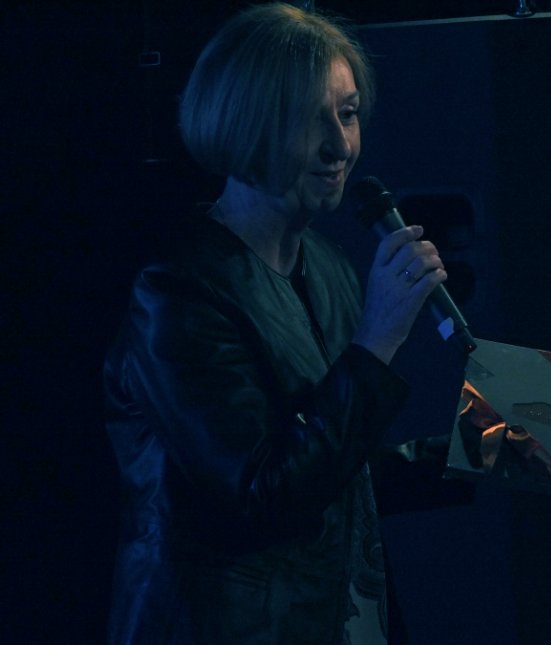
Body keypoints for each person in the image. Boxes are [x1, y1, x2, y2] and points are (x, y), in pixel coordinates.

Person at [103, 4, 461, 643]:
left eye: (347, 114)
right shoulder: (178, 292)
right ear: (242, 123)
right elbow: (262, 495)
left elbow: (337, 473)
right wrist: (378, 340)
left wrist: (477, 451)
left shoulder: (326, 266)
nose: (339, 146)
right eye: (308, 119)